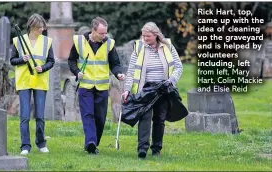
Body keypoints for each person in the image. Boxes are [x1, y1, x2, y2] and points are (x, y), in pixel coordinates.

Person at [122, 22, 183, 159]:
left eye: (148, 36)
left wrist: (171, 81)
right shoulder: (138, 48)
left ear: (156, 35)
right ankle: (142, 149)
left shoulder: (168, 46)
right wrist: (127, 90)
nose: (145, 39)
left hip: (163, 88)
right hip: (145, 89)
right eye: (143, 36)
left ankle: (156, 149)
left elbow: (179, 67)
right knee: (144, 117)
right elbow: (131, 71)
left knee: (160, 119)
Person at [68, 17, 125, 154]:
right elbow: (71, 60)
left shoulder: (109, 44)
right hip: (85, 86)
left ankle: (93, 142)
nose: (104, 36)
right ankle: (91, 143)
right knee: (88, 115)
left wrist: (118, 74)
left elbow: (115, 64)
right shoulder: (79, 41)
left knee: (100, 118)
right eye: (101, 33)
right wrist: (77, 72)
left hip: (102, 87)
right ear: (93, 30)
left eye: (105, 33)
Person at [10, 13, 55, 155]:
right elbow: (12, 60)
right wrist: (22, 59)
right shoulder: (18, 41)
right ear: (32, 27)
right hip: (24, 81)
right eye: (39, 27)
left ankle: (41, 143)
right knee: (24, 116)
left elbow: (51, 61)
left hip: (40, 82)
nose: (42, 29)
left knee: (40, 116)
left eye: (43, 27)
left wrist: (43, 68)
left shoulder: (47, 42)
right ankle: (25, 146)